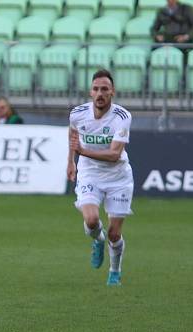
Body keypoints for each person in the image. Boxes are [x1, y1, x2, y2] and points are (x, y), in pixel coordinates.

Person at [67, 69, 133, 286]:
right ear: (90, 92)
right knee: (92, 220)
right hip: (90, 174)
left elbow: (114, 155)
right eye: (96, 89)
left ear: (112, 92)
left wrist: (82, 152)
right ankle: (97, 240)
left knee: (115, 233)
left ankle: (115, 271)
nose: (100, 93)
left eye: (104, 89)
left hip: (118, 177)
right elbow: (73, 134)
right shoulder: (77, 113)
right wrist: (71, 162)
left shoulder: (122, 117)